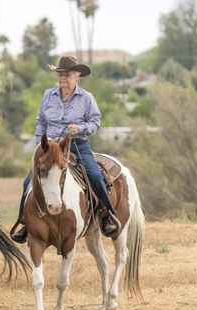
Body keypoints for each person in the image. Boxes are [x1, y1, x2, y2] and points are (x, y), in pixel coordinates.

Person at [10, 56, 120, 244]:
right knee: (28, 182)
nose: (62, 78)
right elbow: (40, 122)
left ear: (77, 76)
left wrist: (80, 128)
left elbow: (95, 122)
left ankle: (106, 214)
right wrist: (41, 146)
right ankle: (24, 222)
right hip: (50, 147)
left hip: (77, 145)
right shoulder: (48, 95)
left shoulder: (86, 98)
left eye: (67, 75)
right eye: (60, 74)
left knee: (94, 175)